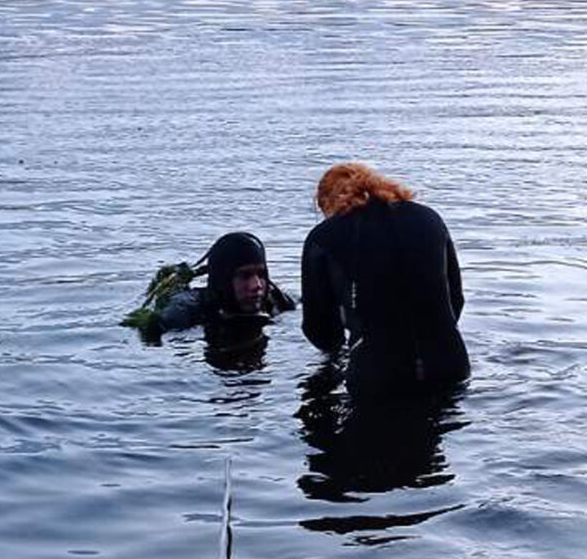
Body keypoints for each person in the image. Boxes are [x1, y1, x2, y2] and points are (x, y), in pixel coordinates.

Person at [299, 163, 467, 397]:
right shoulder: (429, 218)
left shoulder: (324, 237)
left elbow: (320, 330)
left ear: (327, 203)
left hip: (377, 375)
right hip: (451, 365)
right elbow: (455, 301)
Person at [147, 232, 296, 336]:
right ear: (223, 280)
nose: (256, 285)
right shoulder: (183, 313)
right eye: (245, 276)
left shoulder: (279, 302)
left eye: (261, 275)